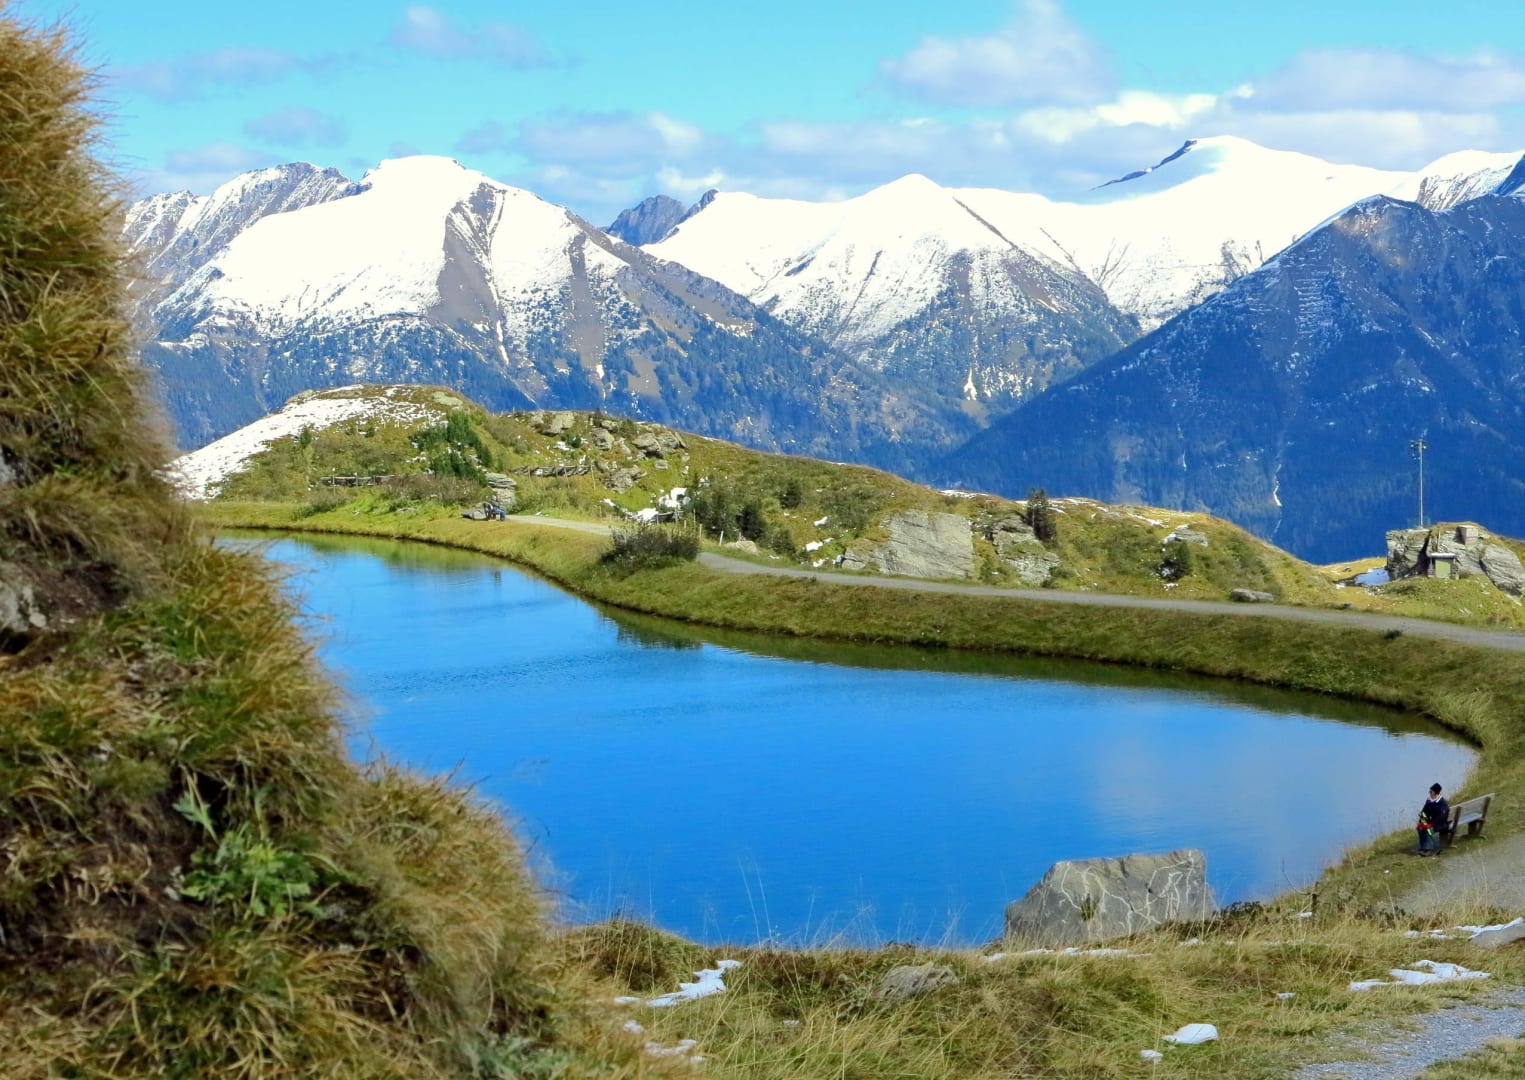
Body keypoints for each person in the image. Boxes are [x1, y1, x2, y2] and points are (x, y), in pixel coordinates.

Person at [1417, 782, 1450, 856]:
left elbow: (1441, 818)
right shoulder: (1429, 801)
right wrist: (1422, 821)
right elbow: (1424, 812)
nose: (1429, 793)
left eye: (1431, 791)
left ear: (1436, 793)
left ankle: (1429, 850)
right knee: (1420, 827)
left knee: (1428, 830)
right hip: (1432, 822)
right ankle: (1423, 847)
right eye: (1430, 791)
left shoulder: (1442, 803)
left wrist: (1430, 824)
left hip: (1442, 824)